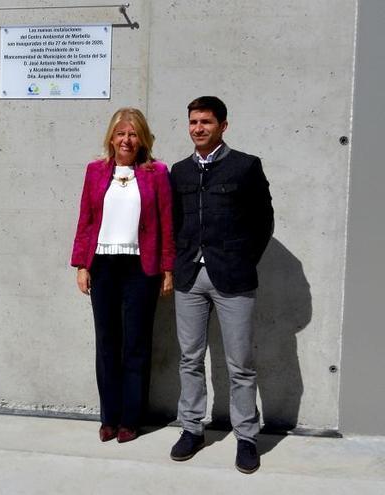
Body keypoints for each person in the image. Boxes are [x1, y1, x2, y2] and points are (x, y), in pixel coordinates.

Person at [169, 96, 273, 474]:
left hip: (233, 277)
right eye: (194, 122)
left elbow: (264, 222)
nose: (198, 128)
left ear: (223, 126)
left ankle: (247, 437)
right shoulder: (178, 171)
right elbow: (174, 221)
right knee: (189, 358)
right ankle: (192, 428)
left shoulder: (245, 166)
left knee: (240, 363)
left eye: (206, 122)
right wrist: (177, 262)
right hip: (189, 277)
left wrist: (243, 259)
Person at [71, 107, 174, 444]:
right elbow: (86, 219)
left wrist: (167, 268)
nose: (126, 140)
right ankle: (109, 417)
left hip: (141, 268)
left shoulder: (157, 173)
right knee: (107, 345)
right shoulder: (95, 171)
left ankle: (131, 419)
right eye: (121, 133)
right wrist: (82, 265)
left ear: (142, 138)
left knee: (136, 345)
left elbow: (167, 224)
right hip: (103, 265)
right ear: (111, 138)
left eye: (133, 134)